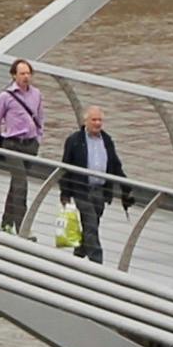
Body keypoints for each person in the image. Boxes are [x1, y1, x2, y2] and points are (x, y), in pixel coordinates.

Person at [0, 57, 51, 234]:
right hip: (12, 145)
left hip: (30, 145)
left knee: (16, 184)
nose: (26, 77)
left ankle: (5, 223)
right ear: (14, 75)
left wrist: (38, 139)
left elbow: (40, 118)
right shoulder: (5, 97)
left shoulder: (36, 94)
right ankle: (22, 227)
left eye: (28, 73)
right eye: (22, 73)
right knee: (21, 184)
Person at [57, 102, 126, 257]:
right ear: (85, 122)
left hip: (100, 191)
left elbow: (115, 165)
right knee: (91, 225)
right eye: (94, 120)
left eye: (100, 120)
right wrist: (65, 194)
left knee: (92, 226)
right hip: (82, 190)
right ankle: (97, 263)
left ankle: (78, 255)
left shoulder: (107, 141)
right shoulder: (75, 140)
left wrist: (125, 189)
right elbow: (65, 167)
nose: (97, 123)